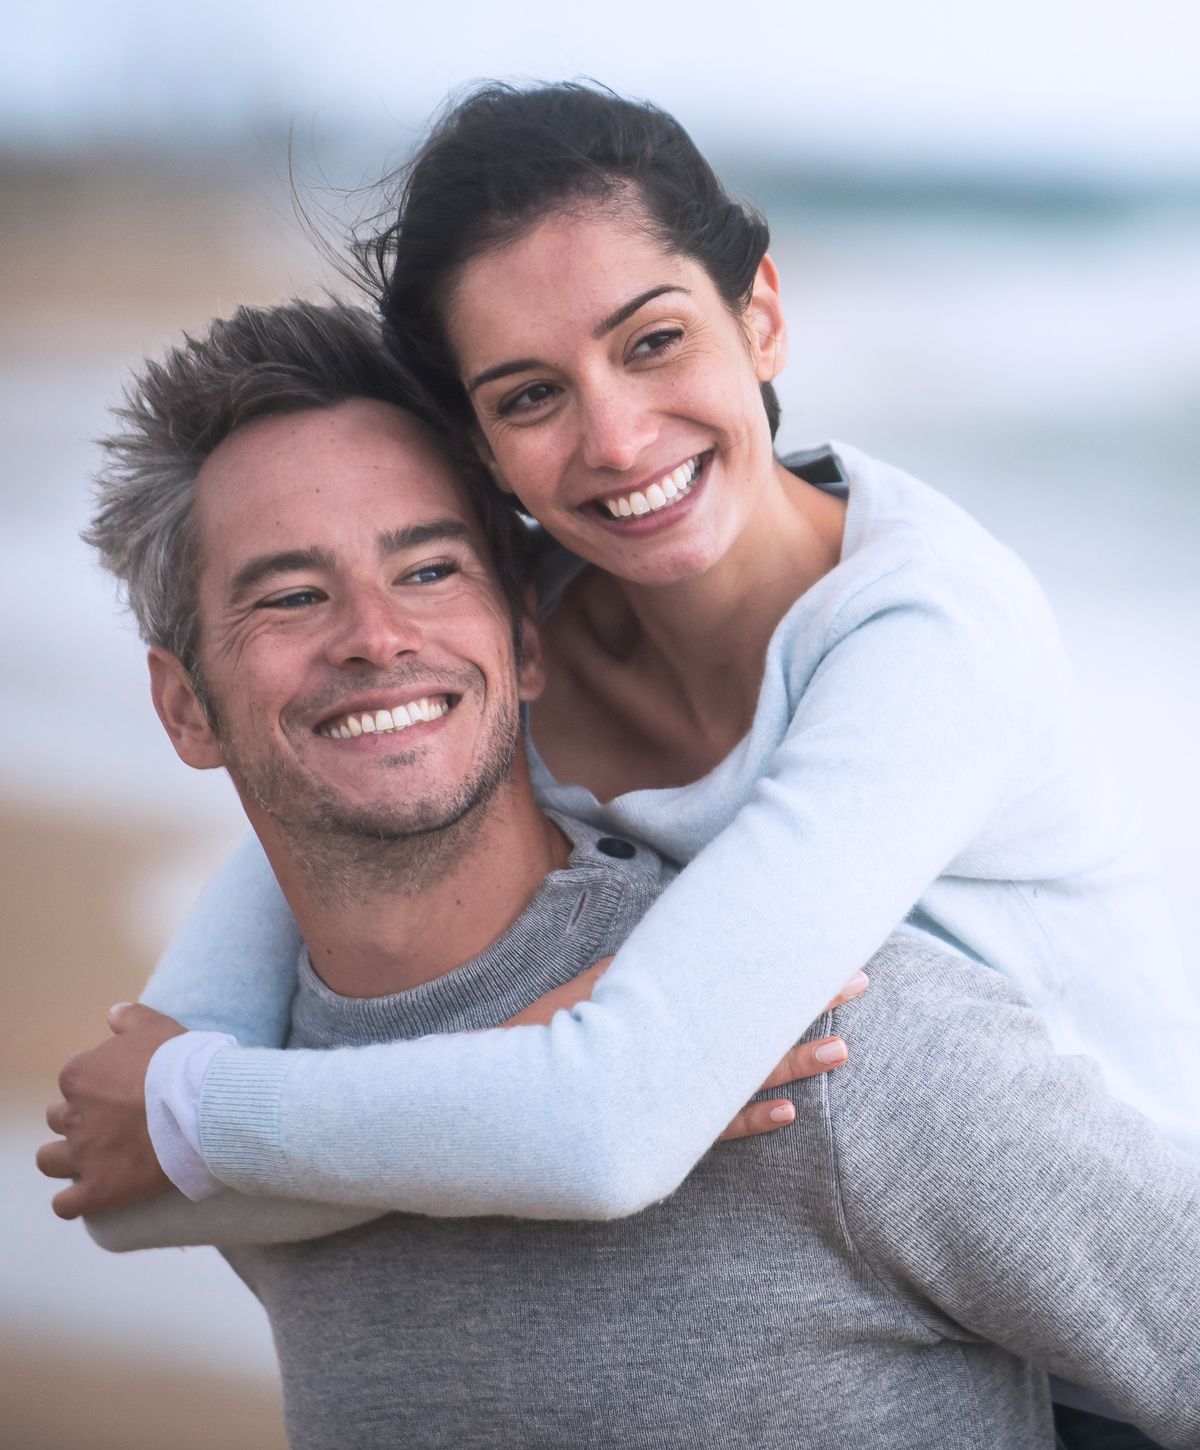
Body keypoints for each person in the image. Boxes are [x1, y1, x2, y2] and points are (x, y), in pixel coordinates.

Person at [45, 301, 1200, 1449]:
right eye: (294, 596)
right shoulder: (247, 1090)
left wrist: (196, 1115)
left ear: (528, 636)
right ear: (184, 706)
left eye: (432, 569)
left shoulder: (829, 1046)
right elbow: (140, 1168)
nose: (375, 636)